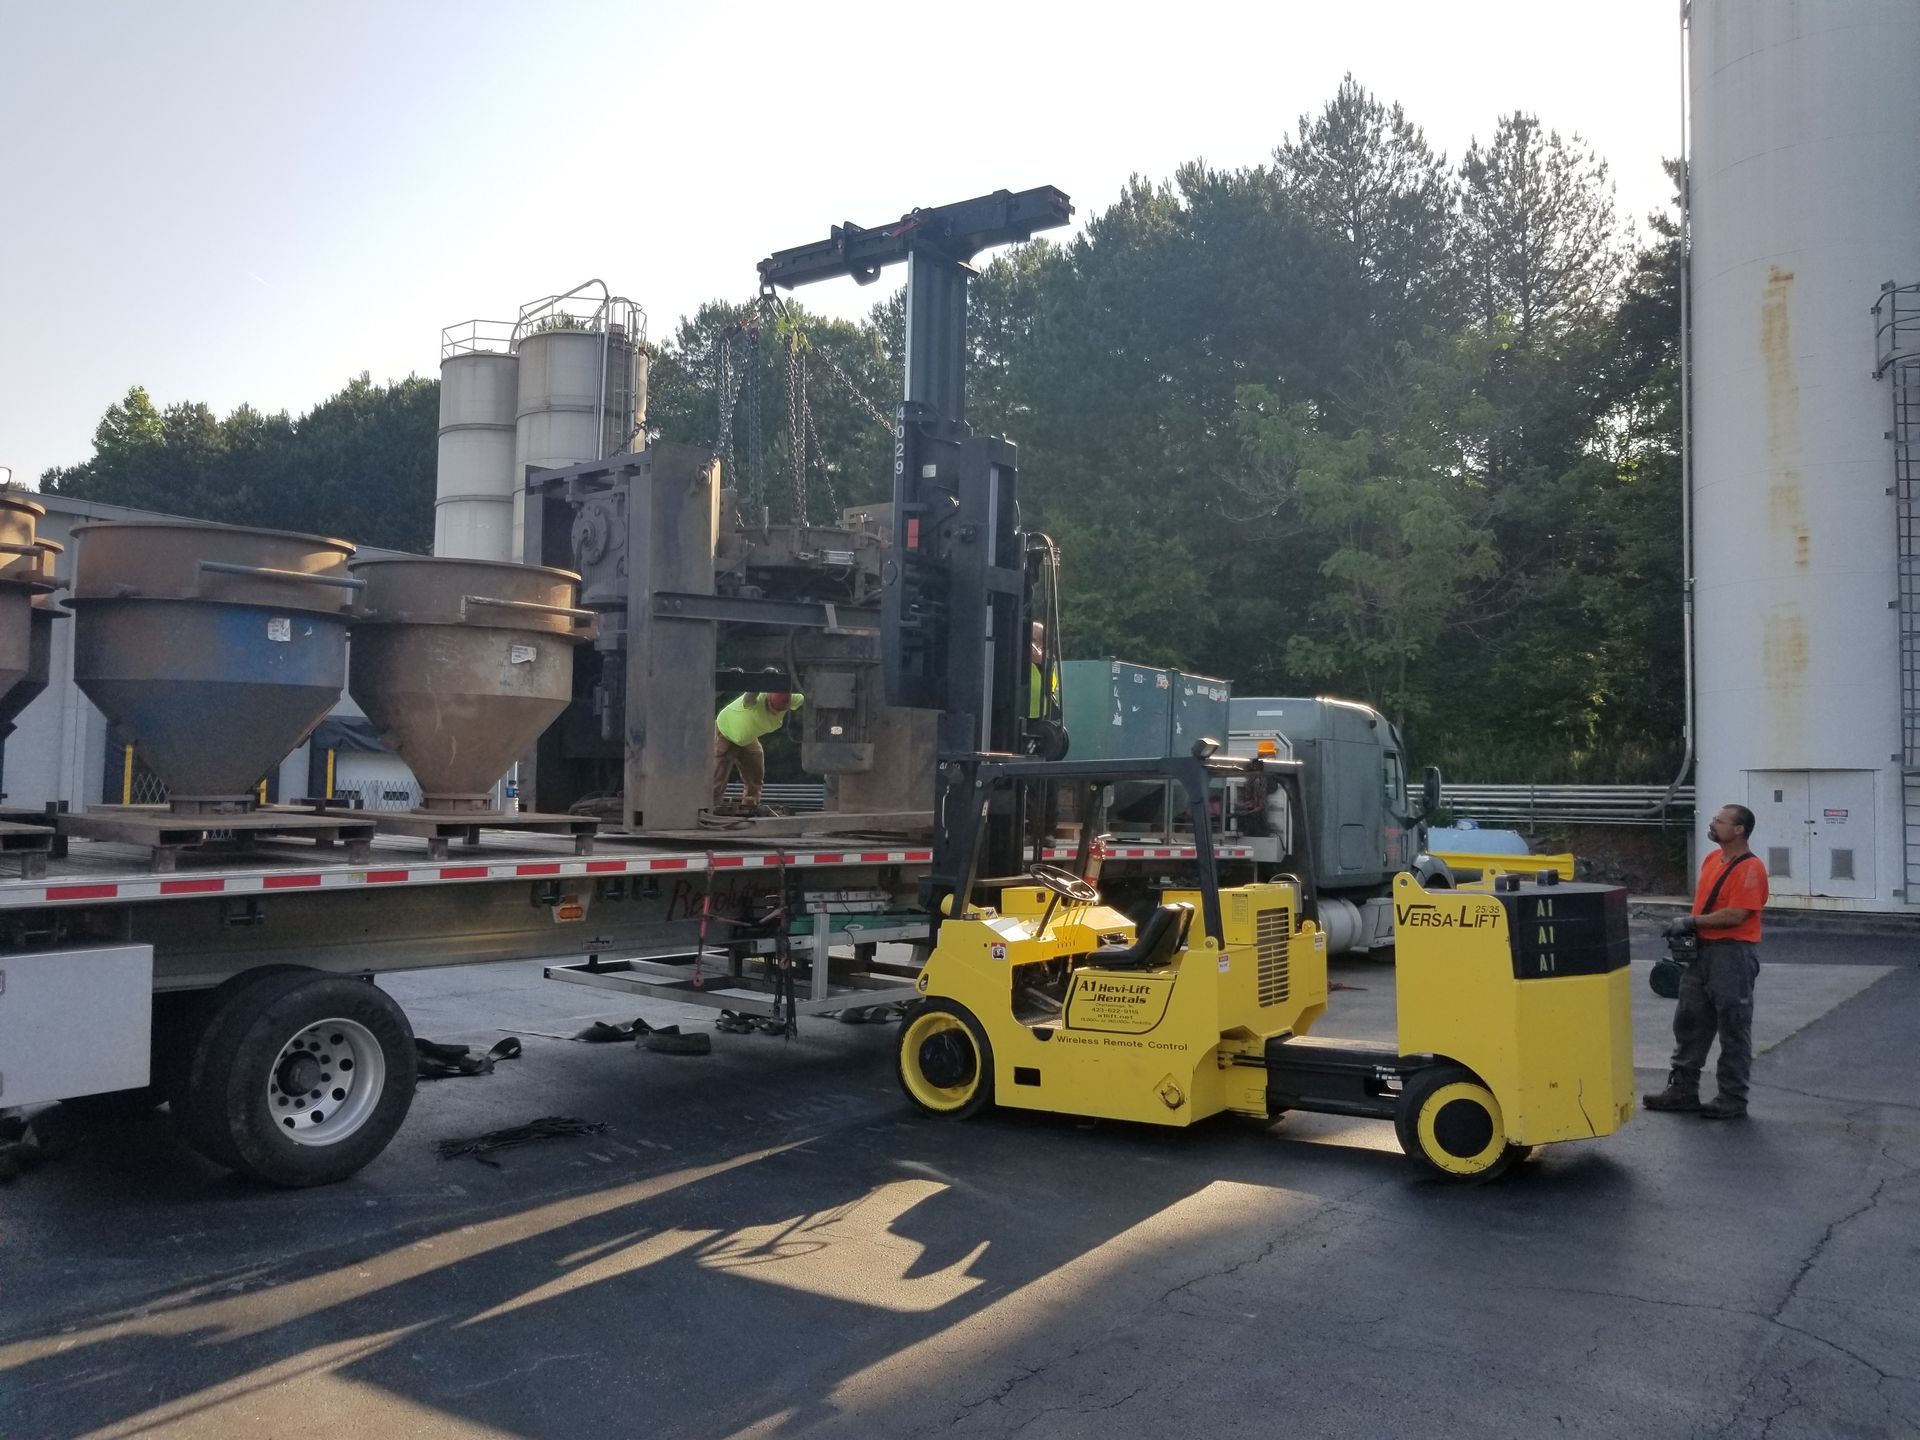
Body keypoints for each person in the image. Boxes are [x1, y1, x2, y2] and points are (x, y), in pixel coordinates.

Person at [1644, 803, 1769, 1119]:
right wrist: (1691, 928)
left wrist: (1690, 923)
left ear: (1739, 829)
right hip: (1704, 953)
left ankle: (1733, 1098)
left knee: (1733, 1026)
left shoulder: (1750, 868)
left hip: (1733, 955)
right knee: (1689, 1021)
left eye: (1720, 821)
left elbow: (1737, 914)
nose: (1712, 824)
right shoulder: (1713, 859)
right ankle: (1683, 1090)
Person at [711, 691, 804, 813]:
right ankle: (710, 806)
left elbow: (806, 693)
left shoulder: (791, 698)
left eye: (780, 710)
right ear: (768, 700)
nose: (775, 712)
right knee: (718, 775)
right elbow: (750, 695)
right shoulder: (753, 700)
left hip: (747, 737)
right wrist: (760, 683)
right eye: (772, 709)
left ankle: (750, 805)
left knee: (756, 770)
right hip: (726, 731)